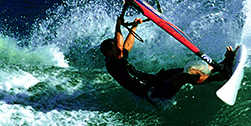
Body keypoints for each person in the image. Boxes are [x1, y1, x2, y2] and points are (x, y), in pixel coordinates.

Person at [100, 16, 236, 101]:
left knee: (190, 69)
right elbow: (119, 48)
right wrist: (118, 26)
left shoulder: (119, 57)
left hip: (155, 79)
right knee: (183, 77)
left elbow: (126, 46)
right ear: (108, 53)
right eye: (114, 49)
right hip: (153, 92)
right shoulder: (113, 64)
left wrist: (134, 28)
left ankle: (221, 64)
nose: (120, 49)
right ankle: (222, 76)